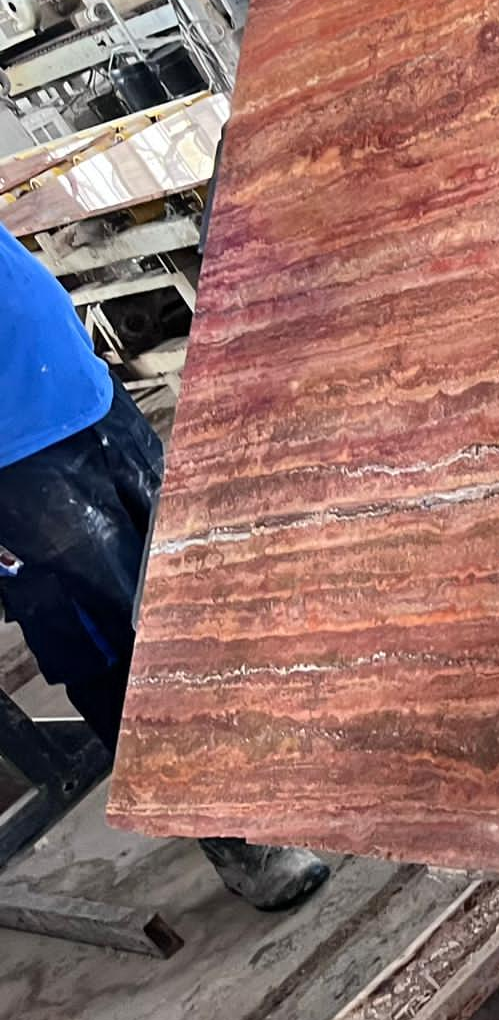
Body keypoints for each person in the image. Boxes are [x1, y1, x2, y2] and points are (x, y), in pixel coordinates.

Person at [1, 228, 329, 910]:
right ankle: (233, 835)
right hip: (13, 470)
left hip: (78, 388)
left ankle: (281, 760)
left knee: (192, 583)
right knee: (112, 646)